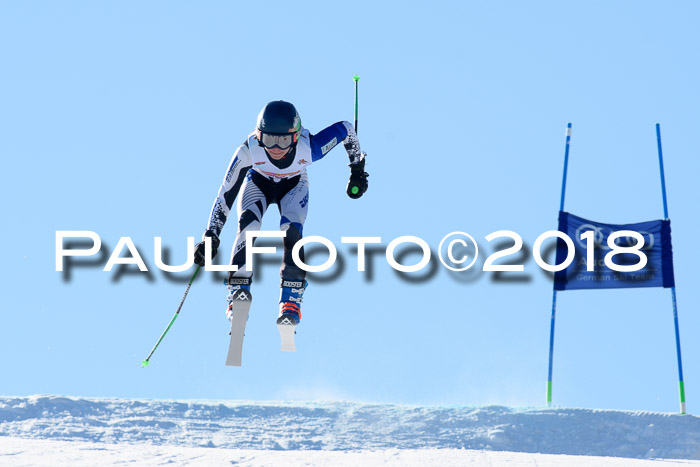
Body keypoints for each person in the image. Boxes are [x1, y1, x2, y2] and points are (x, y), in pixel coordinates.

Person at [192, 100, 368, 327]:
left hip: (294, 185)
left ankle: (291, 297)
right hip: (258, 183)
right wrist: (211, 236)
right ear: (259, 135)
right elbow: (225, 194)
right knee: (249, 226)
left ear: (295, 137)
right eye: (269, 139)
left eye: (283, 140)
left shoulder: (309, 148)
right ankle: (238, 290)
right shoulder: (248, 151)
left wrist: (357, 170)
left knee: (291, 230)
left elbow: (346, 129)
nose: (275, 148)